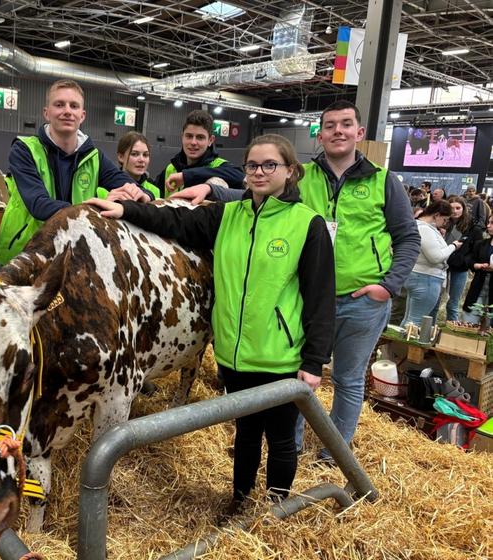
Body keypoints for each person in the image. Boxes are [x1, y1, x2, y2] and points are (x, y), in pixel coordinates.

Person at [87, 133, 335, 516]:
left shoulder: (308, 224)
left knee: (282, 438)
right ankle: (239, 501)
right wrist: (127, 212)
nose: (259, 172)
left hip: (281, 355)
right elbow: (173, 220)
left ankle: (277, 507)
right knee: (246, 433)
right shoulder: (227, 216)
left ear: (290, 171)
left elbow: (321, 297)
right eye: (252, 165)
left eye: (270, 165)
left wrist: (314, 361)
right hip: (235, 352)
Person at [170, 100, 420, 462]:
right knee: (303, 376)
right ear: (319, 133)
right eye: (330, 125)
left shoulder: (384, 180)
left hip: (361, 299)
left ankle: (334, 452)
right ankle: (295, 443)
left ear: (359, 133)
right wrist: (211, 190)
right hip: (305, 296)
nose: (337, 131)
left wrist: (388, 286)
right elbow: (261, 191)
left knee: (348, 380)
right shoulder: (304, 175)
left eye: (346, 124)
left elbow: (408, 237)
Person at [0, 79, 150, 264]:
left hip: (73, 257)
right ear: (47, 113)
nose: (67, 111)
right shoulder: (24, 150)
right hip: (24, 254)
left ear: (82, 115)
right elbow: (39, 205)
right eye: (59, 104)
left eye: (74, 106)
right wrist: (98, 208)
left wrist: (141, 194)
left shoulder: (94, 156)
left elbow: (128, 183)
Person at [155, 109, 244, 197]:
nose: (193, 142)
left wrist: (186, 176)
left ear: (210, 140)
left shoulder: (220, 166)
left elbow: (241, 177)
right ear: (182, 137)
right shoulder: (170, 169)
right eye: (189, 136)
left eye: (200, 137)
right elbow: (152, 191)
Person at [401, 200, 461, 327]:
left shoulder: (422, 227)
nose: (445, 223)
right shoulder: (424, 229)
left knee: (409, 320)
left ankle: (399, 346)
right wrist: (453, 246)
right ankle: (405, 346)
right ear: (437, 215)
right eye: (445, 219)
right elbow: (436, 257)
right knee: (415, 323)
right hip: (426, 278)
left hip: (420, 276)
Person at [440, 196, 483, 321]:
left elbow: (477, 250)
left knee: (453, 303)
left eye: (458, 208)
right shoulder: (441, 223)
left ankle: (453, 330)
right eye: (451, 208)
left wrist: (464, 261)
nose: (455, 211)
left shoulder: (473, 228)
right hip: (440, 265)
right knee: (436, 301)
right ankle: (430, 328)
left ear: (463, 209)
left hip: (460, 268)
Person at [461, 214, 493, 323]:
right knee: (469, 323)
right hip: (478, 288)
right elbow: (470, 259)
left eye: (492, 223)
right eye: (488, 223)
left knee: (489, 329)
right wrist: (475, 265)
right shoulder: (481, 244)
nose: (488, 226)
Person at [113, 131, 160, 198]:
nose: (141, 160)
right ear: (121, 157)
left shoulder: (154, 191)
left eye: (145, 155)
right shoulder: (106, 188)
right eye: (134, 154)